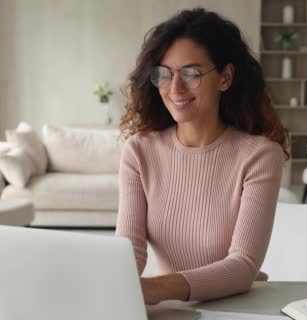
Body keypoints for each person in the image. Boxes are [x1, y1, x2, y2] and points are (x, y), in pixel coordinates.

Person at [116, 8, 290, 305]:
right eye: (164, 74)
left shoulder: (260, 156)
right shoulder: (139, 150)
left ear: (225, 77)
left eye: (191, 74)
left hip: (236, 307)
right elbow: (129, 251)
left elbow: (243, 264)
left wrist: (156, 289)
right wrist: (115, 291)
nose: (175, 88)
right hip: (171, 309)